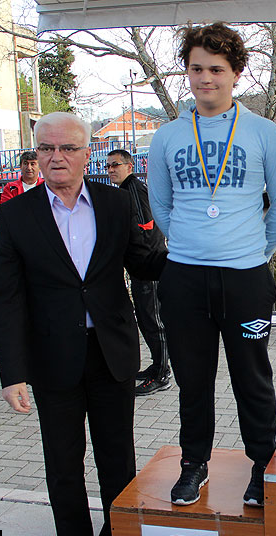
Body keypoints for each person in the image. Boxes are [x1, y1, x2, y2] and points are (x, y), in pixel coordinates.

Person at [0, 112, 166, 536]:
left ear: (87, 154)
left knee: (117, 458)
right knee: (63, 462)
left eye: (67, 148)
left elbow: (143, 263)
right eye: (46, 148)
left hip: (112, 353)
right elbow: (5, 300)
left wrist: (187, 244)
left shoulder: (115, 204)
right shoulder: (15, 215)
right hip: (53, 358)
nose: (56, 157)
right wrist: (12, 373)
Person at [148, 23, 276, 508]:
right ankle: (194, 463)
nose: (205, 78)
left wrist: (256, 252)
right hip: (185, 277)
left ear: (236, 73)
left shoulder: (263, 132)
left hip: (246, 276)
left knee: (252, 377)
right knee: (192, 380)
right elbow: (160, 204)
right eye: (196, 69)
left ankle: (263, 463)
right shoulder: (167, 136)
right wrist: (189, 243)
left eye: (216, 69)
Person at [106, 149, 172, 395]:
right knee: (145, 319)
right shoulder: (124, 190)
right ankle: (157, 365)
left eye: (115, 165)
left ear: (129, 166)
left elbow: (147, 226)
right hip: (139, 267)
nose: (111, 170)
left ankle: (162, 374)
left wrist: (141, 259)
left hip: (149, 267)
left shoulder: (134, 188)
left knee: (154, 321)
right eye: (108, 166)